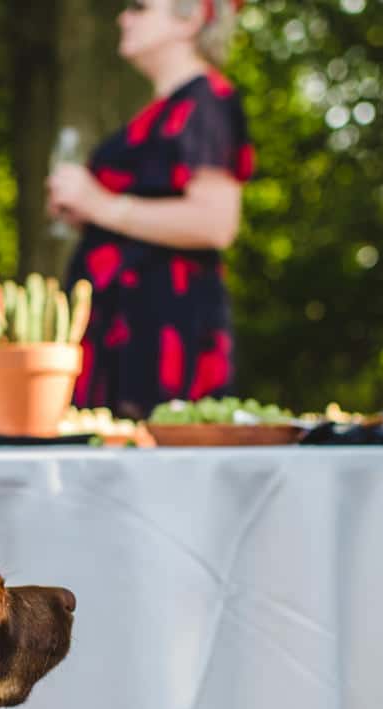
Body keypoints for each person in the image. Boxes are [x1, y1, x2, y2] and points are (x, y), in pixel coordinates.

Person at [45, 0, 253, 419]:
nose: (124, 17)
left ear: (190, 20)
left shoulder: (206, 102)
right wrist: (85, 211)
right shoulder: (163, 109)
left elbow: (216, 223)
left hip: (163, 332)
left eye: (140, 7)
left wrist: (100, 204)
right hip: (123, 324)